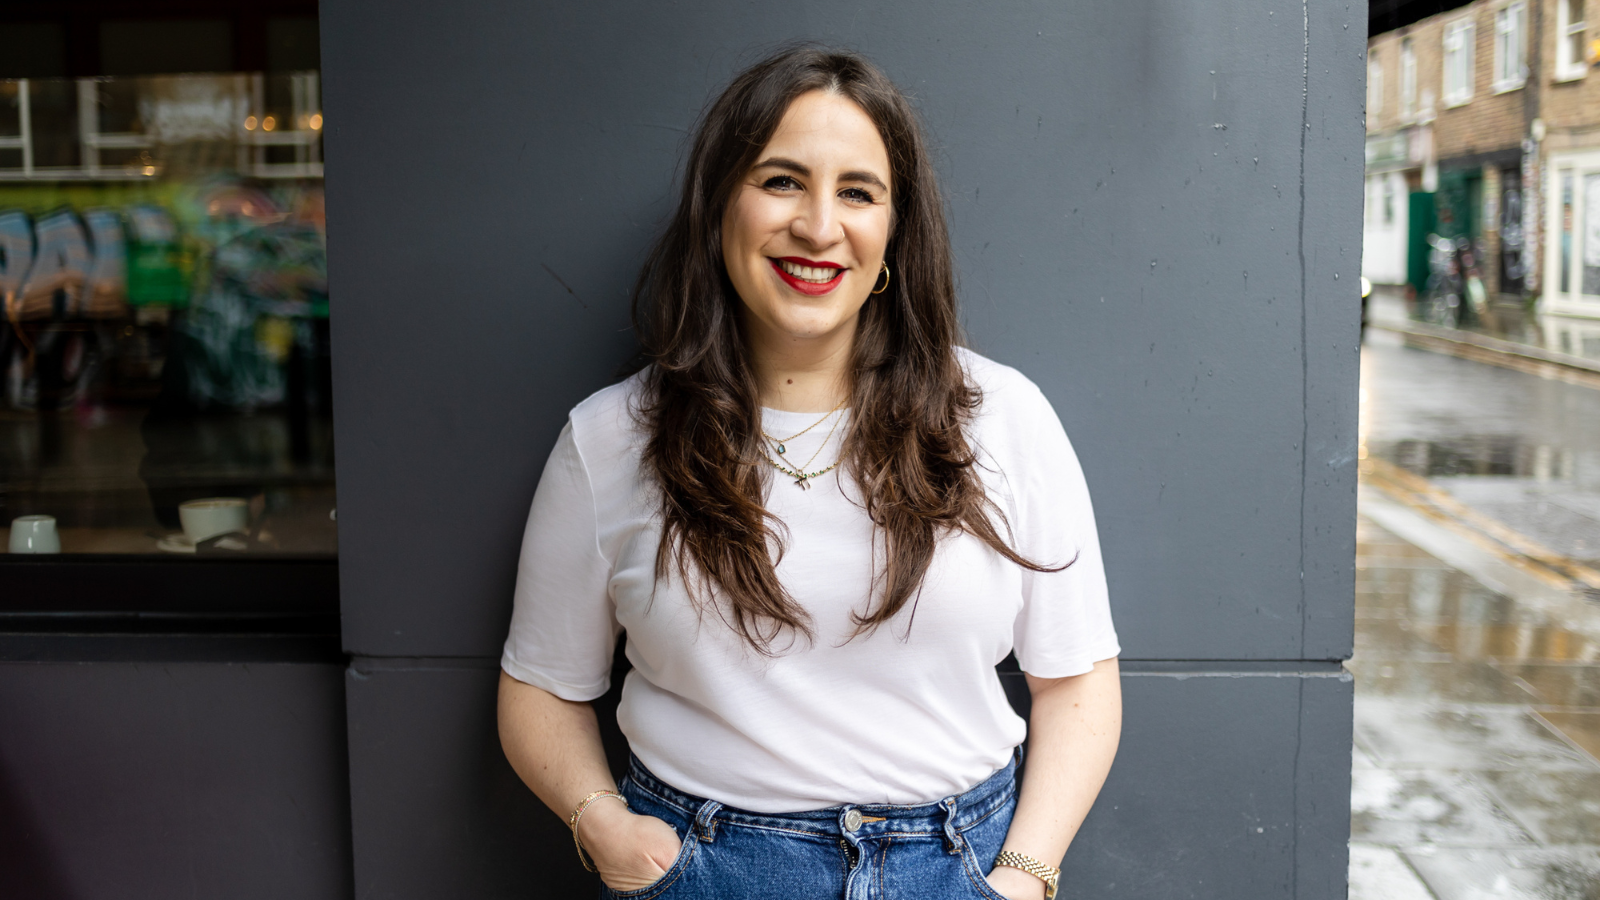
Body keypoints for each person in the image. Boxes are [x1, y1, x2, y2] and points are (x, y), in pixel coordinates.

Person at [497, 45, 1121, 900]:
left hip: (959, 868)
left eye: (858, 192)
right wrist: (602, 824)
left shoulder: (1004, 417)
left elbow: (1079, 680)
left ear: (895, 231)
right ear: (721, 207)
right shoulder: (611, 439)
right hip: (708, 869)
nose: (820, 226)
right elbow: (539, 686)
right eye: (782, 180)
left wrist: (1023, 875)